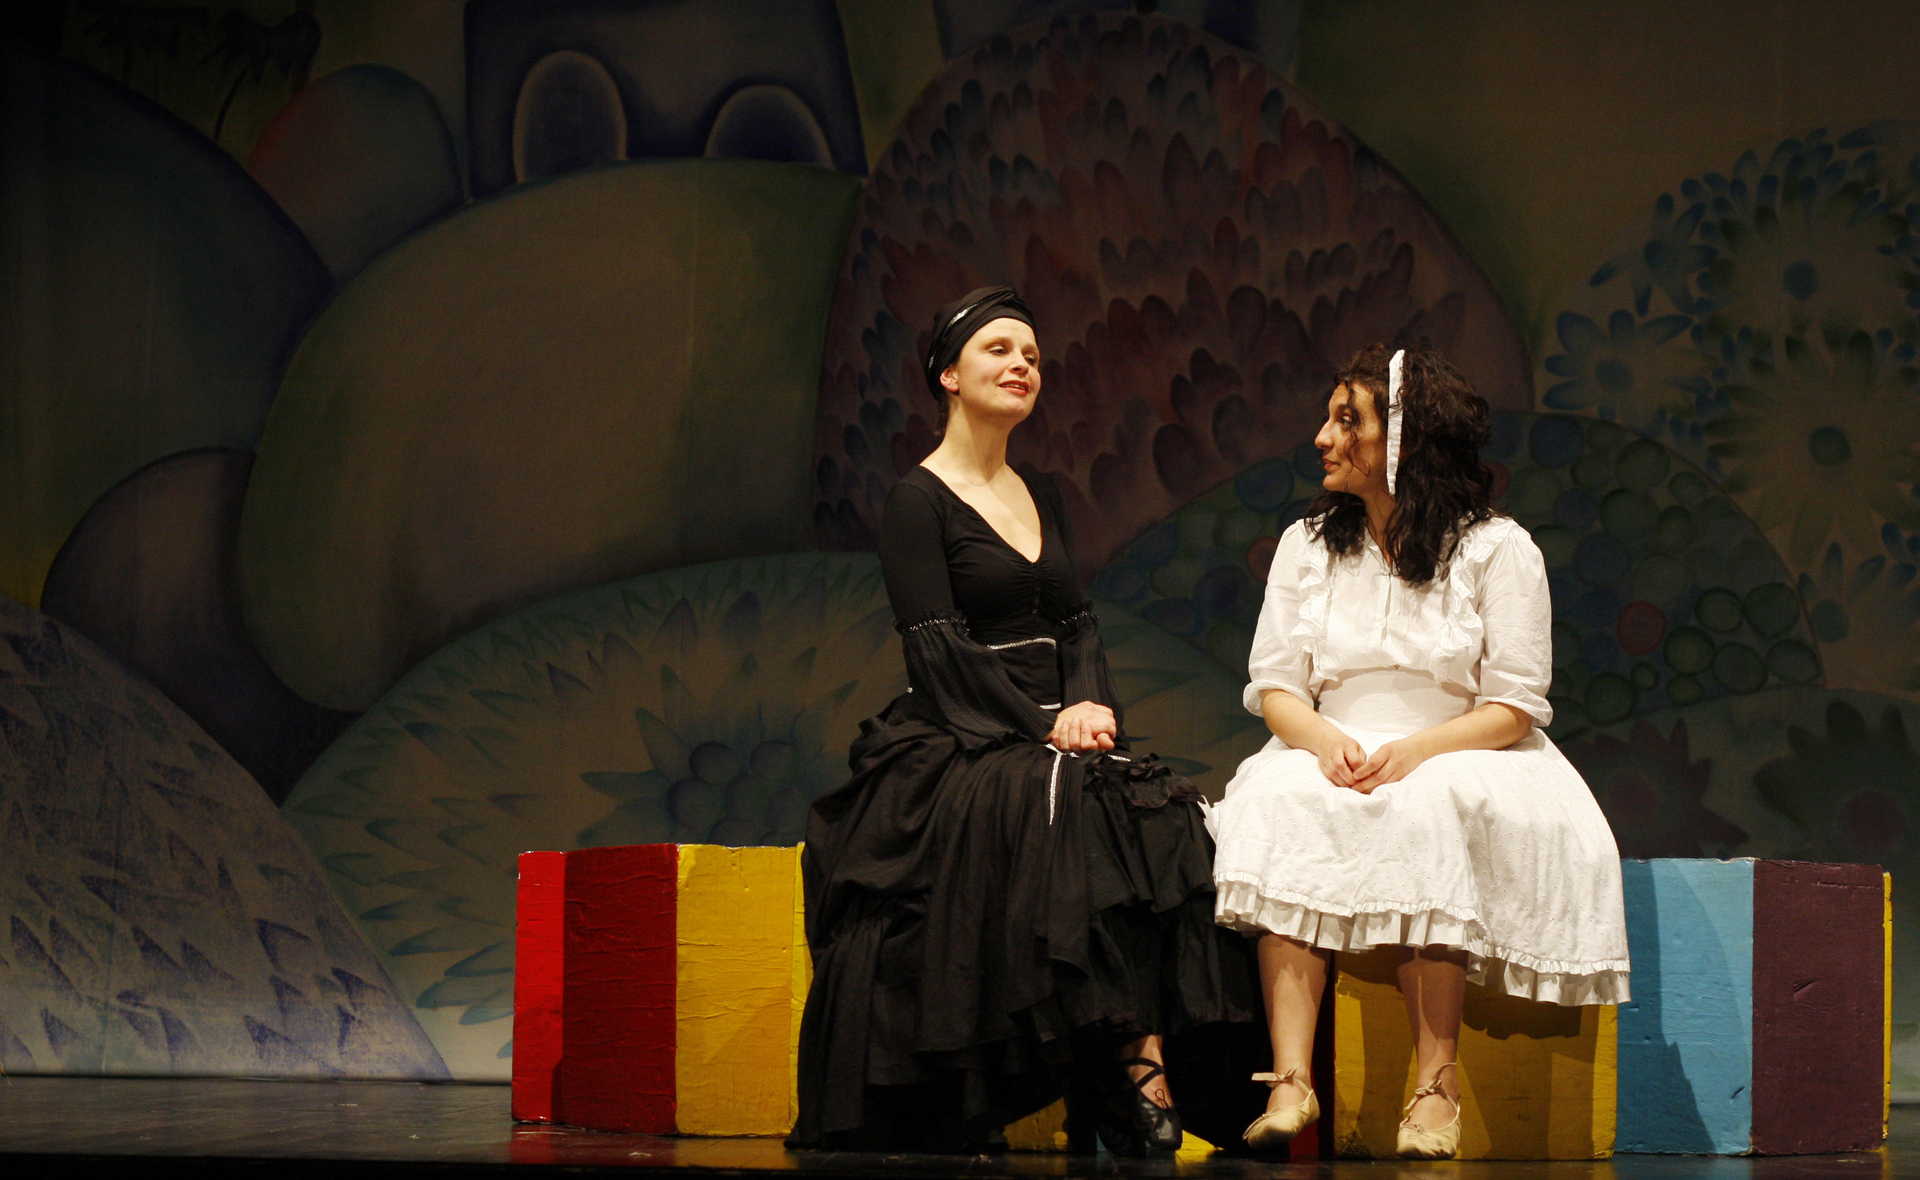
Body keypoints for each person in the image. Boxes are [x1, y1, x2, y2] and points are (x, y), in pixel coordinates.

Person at [789, 287, 1260, 1154]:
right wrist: (1042, 727)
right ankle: (1123, 1065)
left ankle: (1141, 1054)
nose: (1021, 367)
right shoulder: (917, 500)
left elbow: (1077, 622)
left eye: (1033, 357)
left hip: (1061, 725)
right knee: (1068, 812)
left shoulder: (1041, 489)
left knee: (1163, 812)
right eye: (999, 350)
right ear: (948, 375)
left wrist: (1092, 709)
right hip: (964, 728)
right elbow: (936, 645)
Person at [1208, 344, 1630, 1160]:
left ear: (1404, 438)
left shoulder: (1497, 549)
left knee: (1428, 806)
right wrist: (1325, 740)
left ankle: (1436, 1088)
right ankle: (1291, 1080)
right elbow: (1276, 686)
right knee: (1280, 798)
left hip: (1463, 744)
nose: (1323, 438)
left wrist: (1416, 750)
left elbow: (1515, 703)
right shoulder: (1308, 545)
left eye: (1347, 421)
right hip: (1332, 739)